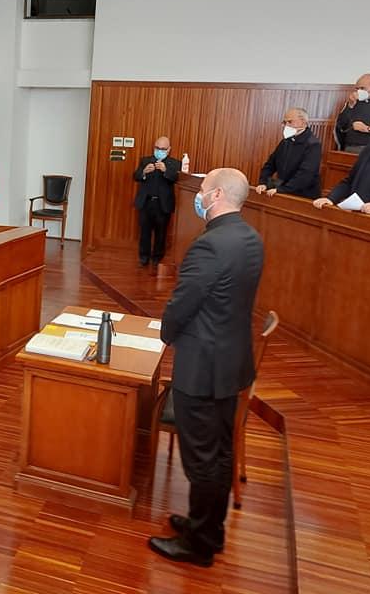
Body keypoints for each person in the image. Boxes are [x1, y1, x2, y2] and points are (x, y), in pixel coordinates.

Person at [149, 168, 264, 568]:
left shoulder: (210, 245)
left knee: (201, 458)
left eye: (201, 191)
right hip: (232, 362)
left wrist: (165, 331)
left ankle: (199, 545)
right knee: (217, 453)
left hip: (203, 366)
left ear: (216, 195)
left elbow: (184, 302)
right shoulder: (251, 238)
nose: (197, 197)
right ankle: (208, 529)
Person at [133, 136, 181, 266]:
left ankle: (157, 258)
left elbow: (176, 178)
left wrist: (165, 171)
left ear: (169, 149)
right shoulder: (146, 160)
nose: (159, 151)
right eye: (157, 148)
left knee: (161, 233)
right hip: (146, 202)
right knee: (144, 232)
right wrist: (143, 172)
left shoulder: (175, 163)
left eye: (163, 149)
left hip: (162, 204)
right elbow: (135, 176)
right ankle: (144, 258)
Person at [255, 107, 322, 199]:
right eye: (284, 122)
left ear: (303, 122)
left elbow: (305, 174)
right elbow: (270, 164)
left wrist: (283, 189)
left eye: (290, 122)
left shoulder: (313, 144)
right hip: (282, 190)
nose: (286, 125)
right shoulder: (286, 142)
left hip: (303, 195)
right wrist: (263, 183)